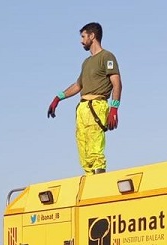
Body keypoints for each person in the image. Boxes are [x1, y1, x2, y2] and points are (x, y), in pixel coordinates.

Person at [46, 22, 122, 175]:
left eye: (83, 36)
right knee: (83, 148)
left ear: (92, 36)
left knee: (95, 147)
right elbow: (78, 85)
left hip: (97, 105)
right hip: (82, 107)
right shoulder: (86, 62)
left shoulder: (106, 56)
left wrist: (114, 108)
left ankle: (99, 178)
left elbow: (117, 83)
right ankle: (89, 180)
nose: (81, 41)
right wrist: (58, 98)